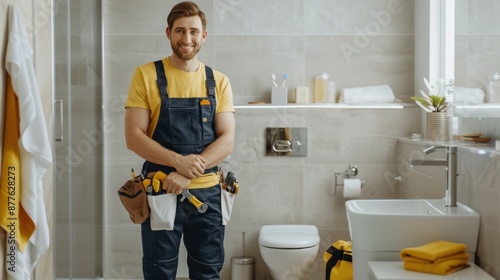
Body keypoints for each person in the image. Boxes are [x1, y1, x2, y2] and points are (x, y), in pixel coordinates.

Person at [124, 1, 235, 279]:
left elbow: (227, 140)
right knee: (159, 272)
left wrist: (187, 173)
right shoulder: (146, 75)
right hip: (161, 191)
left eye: (194, 32)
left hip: (208, 195)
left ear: (204, 35)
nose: (187, 39)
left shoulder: (218, 81)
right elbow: (133, 137)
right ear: (168, 33)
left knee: (207, 273)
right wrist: (177, 163)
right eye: (180, 31)